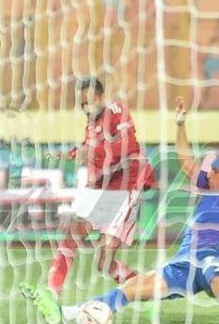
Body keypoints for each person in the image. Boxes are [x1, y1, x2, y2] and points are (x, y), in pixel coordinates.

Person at [25, 98, 219, 324]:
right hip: (185, 260)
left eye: (214, 170)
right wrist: (180, 125)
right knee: (132, 289)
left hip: (214, 259)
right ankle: (71, 313)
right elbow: (186, 160)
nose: (206, 173)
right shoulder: (208, 184)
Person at [25, 76, 156, 299]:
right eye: (82, 103)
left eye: (90, 101)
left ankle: (146, 289)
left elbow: (125, 147)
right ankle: (52, 291)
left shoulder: (116, 111)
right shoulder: (91, 125)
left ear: (102, 97)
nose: (86, 106)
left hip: (126, 186)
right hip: (101, 187)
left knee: (104, 261)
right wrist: (69, 154)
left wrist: (93, 152)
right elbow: (88, 149)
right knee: (71, 234)